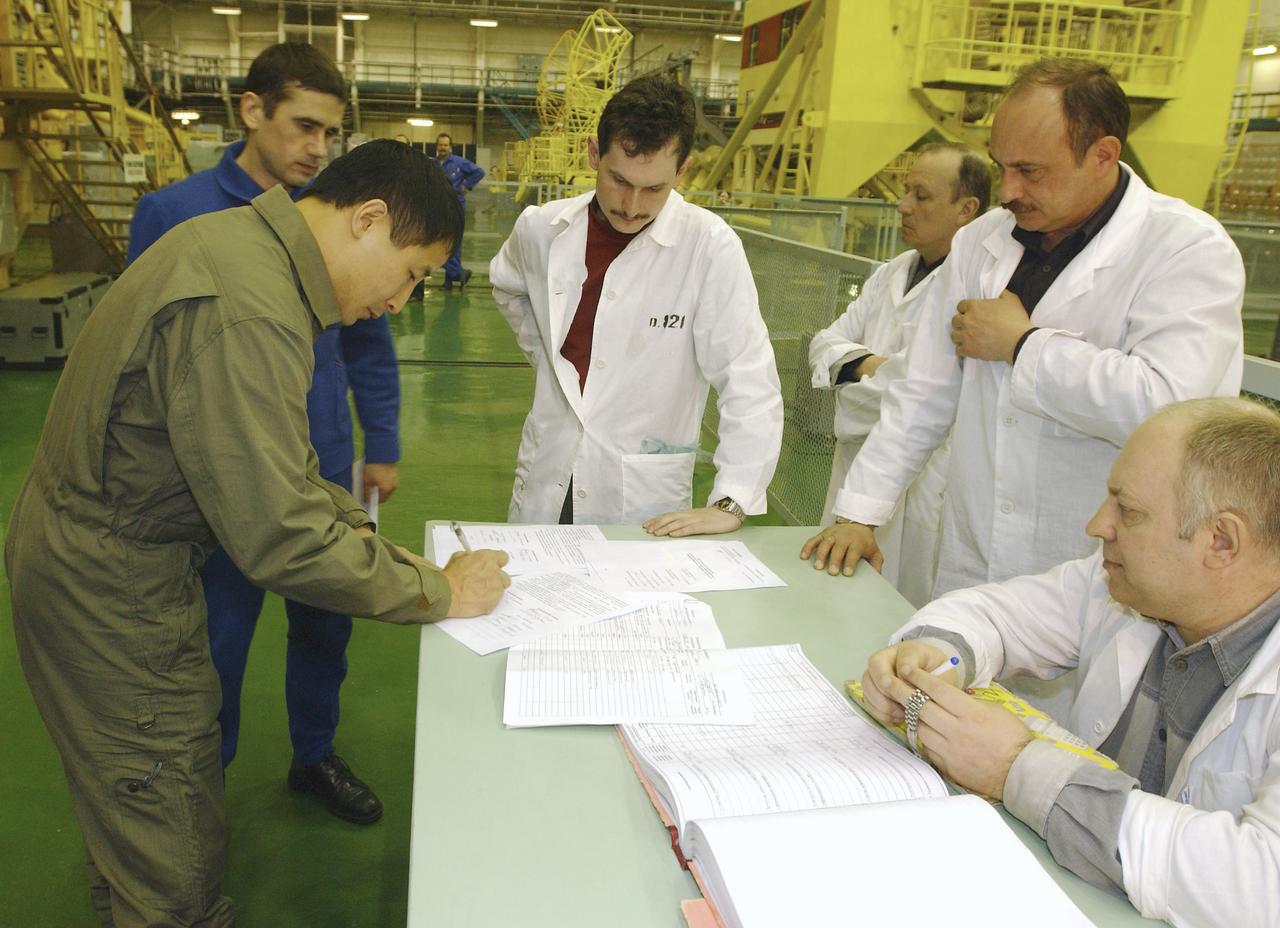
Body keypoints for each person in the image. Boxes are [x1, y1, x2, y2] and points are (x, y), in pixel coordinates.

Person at [6, 140, 512, 927]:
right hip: (112, 587)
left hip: (96, 553)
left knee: (129, 825)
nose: (403, 301)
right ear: (368, 220)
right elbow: (280, 535)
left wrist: (380, 549)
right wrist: (438, 592)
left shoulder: (242, 251)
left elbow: (283, 466)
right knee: (168, 841)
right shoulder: (247, 307)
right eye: (412, 272)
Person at [801, 58, 1244, 598]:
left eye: (1030, 171)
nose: (1008, 190)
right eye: (1001, 166)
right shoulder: (980, 241)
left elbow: (1169, 405)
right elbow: (923, 393)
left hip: (1102, 562)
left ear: (1103, 155)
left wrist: (1022, 345)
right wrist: (860, 513)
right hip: (974, 547)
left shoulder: (1186, 248)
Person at [859, 398, 1280, 928]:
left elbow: (1259, 885)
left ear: (1220, 541)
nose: (1097, 525)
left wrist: (1015, 768)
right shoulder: (1125, 587)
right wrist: (936, 657)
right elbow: (997, 617)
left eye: (1128, 511)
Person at [128, 42, 402, 824]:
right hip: (214, 475)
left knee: (325, 620)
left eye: (329, 133)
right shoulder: (175, 214)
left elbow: (369, 339)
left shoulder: (333, 219)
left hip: (322, 459)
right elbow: (141, 349)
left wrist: (381, 442)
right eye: (304, 125)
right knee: (216, 637)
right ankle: (203, 781)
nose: (317, 147)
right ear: (252, 111)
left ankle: (315, 754)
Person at [489, 76, 783, 534]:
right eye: (619, 180)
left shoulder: (709, 247)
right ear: (594, 154)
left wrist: (732, 501)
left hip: (640, 495)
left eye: (654, 189)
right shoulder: (541, 229)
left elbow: (748, 379)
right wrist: (550, 359)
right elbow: (507, 285)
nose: (631, 206)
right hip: (549, 471)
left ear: (681, 172)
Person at [808, 142, 988, 605]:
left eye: (921, 196)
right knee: (836, 599)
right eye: (906, 191)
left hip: (924, 484)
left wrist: (850, 377)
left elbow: (919, 396)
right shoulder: (890, 272)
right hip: (854, 470)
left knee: (902, 607)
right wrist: (875, 370)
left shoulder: (977, 293)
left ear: (967, 209)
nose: (903, 205)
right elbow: (824, 343)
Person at [435, 131, 486, 290]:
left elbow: (479, 172)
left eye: (445, 145)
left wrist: (466, 185)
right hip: (438, 207)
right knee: (440, 242)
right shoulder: (433, 164)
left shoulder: (459, 162)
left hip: (455, 207)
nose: (443, 148)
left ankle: (454, 276)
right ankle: (455, 275)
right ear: (437, 146)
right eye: (440, 145)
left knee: (453, 242)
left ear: (450, 147)